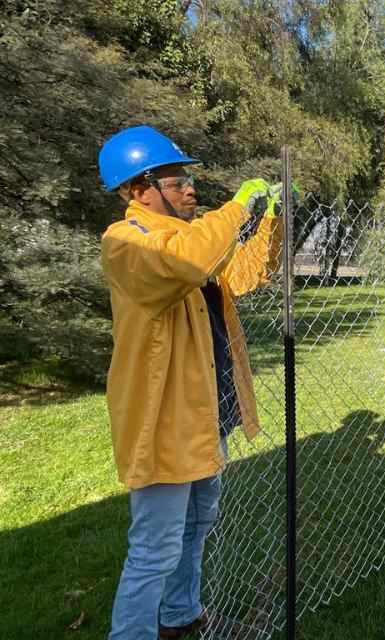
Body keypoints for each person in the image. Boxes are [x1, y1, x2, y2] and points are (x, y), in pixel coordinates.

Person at [98, 125, 282, 640]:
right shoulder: (126, 242)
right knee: (155, 546)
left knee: (198, 527)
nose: (190, 189)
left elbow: (243, 275)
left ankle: (180, 616)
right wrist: (237, 208)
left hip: (205, 412)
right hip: (164, 420)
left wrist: (267, 219)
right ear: (140, 190)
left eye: (187, 181)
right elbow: (182, 265)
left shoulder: (194, 238)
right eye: (176, 181)